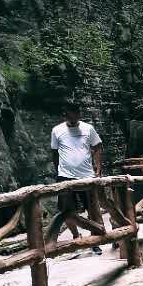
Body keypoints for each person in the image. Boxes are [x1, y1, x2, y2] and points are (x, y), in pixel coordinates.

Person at [50, 104, 103, 253]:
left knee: (93, 209)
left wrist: (98, 167)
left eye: (76, 116)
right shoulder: (57, 130)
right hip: (65, 176)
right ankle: (75, 236)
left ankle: (95, 240)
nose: (73, 119)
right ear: (65, 115)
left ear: (79, 115)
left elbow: (98, 146)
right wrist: (58, 170)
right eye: (70, 116)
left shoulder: (88, 128)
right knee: (66, 210)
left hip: (86, 175)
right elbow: (54, 152)